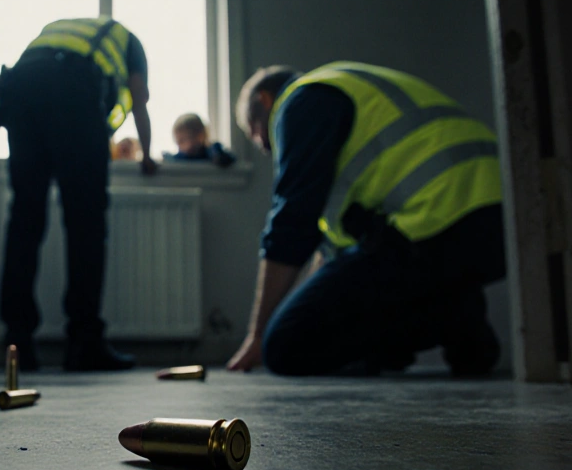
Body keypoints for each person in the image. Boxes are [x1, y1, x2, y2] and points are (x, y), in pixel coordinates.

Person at [226, 61, 506, 376]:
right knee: (334, 293)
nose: (263, 146)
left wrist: (259, 335)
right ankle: (455, 312)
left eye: (253, 132)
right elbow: (331, 256)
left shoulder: (301, 101)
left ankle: (451, 315)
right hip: (501, 222)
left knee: (283, 346)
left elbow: (292, 221)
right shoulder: (349, 85)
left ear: (264, 100)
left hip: (435, 226)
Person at [0, 17, 156, 372]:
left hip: (20, 89)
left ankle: (17, 345)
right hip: (74, 90)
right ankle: (85, 344)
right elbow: (139, 97)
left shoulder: (61, 29)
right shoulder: (128, 40)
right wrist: (147, 154)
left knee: (25, 220)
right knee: (86, 222)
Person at [163, 113, 236, 167]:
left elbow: (231, 160)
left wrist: (219, 158)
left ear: (200, 136)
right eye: (179, 141)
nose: (182, 145)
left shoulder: (212, 152)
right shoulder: (180, 158)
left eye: (184, 140)